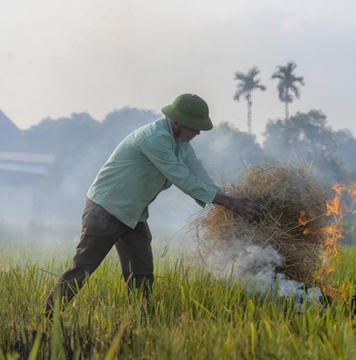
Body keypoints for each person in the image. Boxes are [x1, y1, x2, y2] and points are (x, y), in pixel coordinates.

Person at [44, 93, 261, 315]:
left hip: (133, 214)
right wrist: (227, 202)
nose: (197, 133)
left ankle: (142, 318)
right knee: (84, 265)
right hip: (106, 208)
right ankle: (50, 313)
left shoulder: (181, 143)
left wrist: (228, 199)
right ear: (176, 121)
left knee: (142, 270)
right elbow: (182, 178)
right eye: (194, 127)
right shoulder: (155, 139)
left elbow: (197, 172)